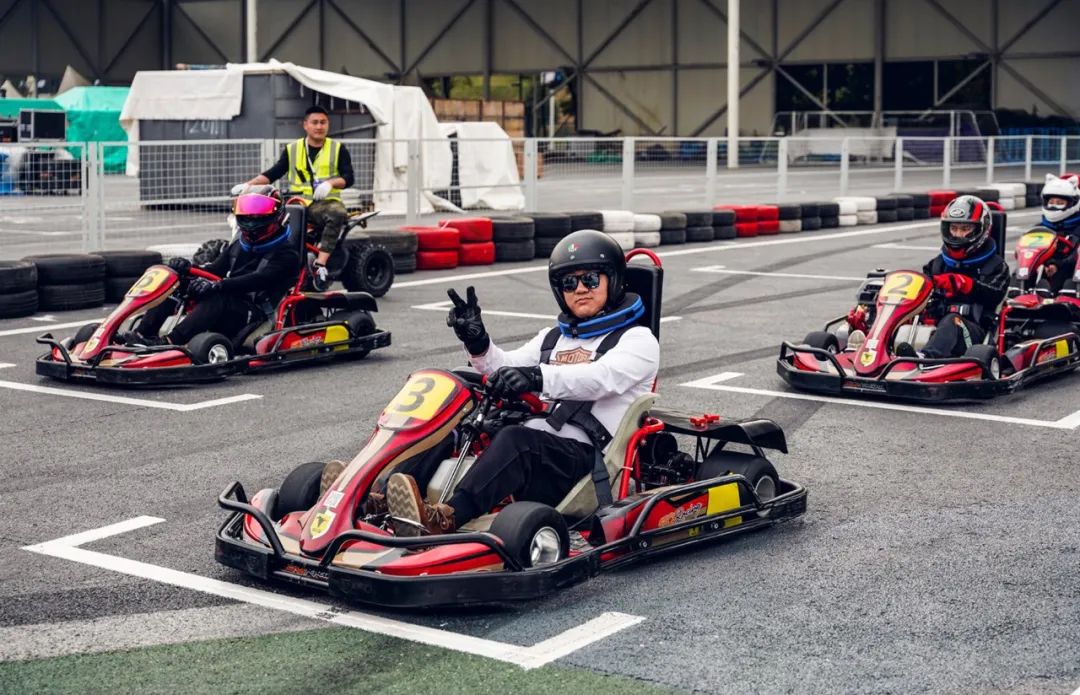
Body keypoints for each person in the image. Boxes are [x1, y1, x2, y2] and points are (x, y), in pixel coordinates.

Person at [378, 229, 660, 535]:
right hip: (542, 447)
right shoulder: (554, 337)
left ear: (613, 281)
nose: (580, 289)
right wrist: (478, 343)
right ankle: (381, 497)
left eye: (590, 280)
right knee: (454, 422)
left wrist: (537, 377)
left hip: (585, 464)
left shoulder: (638, 340)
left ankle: (446, 518)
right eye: (569, 283)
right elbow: (504, 367)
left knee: (518, 441)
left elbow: (600, 380)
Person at [122, 188, 300, 347]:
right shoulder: (239, 245)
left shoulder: (287, 254)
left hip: (255, 313)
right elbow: (214, 270)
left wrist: (218, 285)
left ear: (277, 215)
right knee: (176, 284)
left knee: (218, 297)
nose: (251, 221)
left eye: (257, 215)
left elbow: (257, 280)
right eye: (247, 214)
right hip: (231, 299)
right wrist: (186, 269)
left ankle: (170, 341)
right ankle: (143, 333)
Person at [232, 105, 354, 288]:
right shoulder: (293, 149)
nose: (319, 126)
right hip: (297, 203)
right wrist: (248, 185)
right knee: (260, 217)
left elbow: (348, 177)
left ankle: (320, 265)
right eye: (315, 122)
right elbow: (273, 173)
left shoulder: (337, 149)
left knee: (337, 213)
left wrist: (330, 183)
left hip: (325, 203)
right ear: (305, 125)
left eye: (323, 122)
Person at [895, 195, 1009, 359]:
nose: (957, 235)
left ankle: (926, 358)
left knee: (952, 321)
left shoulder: (996, 266)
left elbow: (994, 294)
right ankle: (876, 349)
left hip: (974, 334)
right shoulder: (937, 264)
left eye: (964, 229)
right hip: (934, 327)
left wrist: (963, 284)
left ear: (981, 230)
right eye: (954, 228)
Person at [1037, 173, 1080, 292]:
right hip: (1043, 272)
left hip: (1070, 276)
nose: (1054, 206)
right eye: (1051, 202)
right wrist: (1040, 264)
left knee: (1068, 280)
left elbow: (1075, 257)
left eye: (1060, 203)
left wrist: (1057, 265)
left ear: (1072, 203)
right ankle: (1017, 293)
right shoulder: (1039, 228)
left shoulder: (1077, 229)